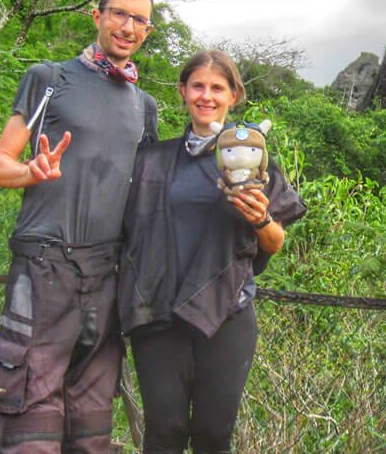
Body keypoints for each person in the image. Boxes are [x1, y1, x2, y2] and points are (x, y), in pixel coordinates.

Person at [0, 0, 159, 452]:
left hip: (106, 270)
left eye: (139, 20)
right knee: (30, 402)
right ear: (97, 15)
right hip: (45, 261)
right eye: (119, 13)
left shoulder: (145, 107)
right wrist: (32, 173)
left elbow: (144, 198)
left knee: (90, 413)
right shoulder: (49, 79)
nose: (127, 26)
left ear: (147, 31)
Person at [119, 50, 306, 453]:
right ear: (183, 91)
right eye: (198, 86)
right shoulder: (153, 159)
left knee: (212, 434)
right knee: (164, 431)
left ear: (233, 96)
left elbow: (275, 241)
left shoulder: (253, 158)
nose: (207, 95)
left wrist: (260, 219)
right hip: (158, 312)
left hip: (227, 313)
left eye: (217, 88)